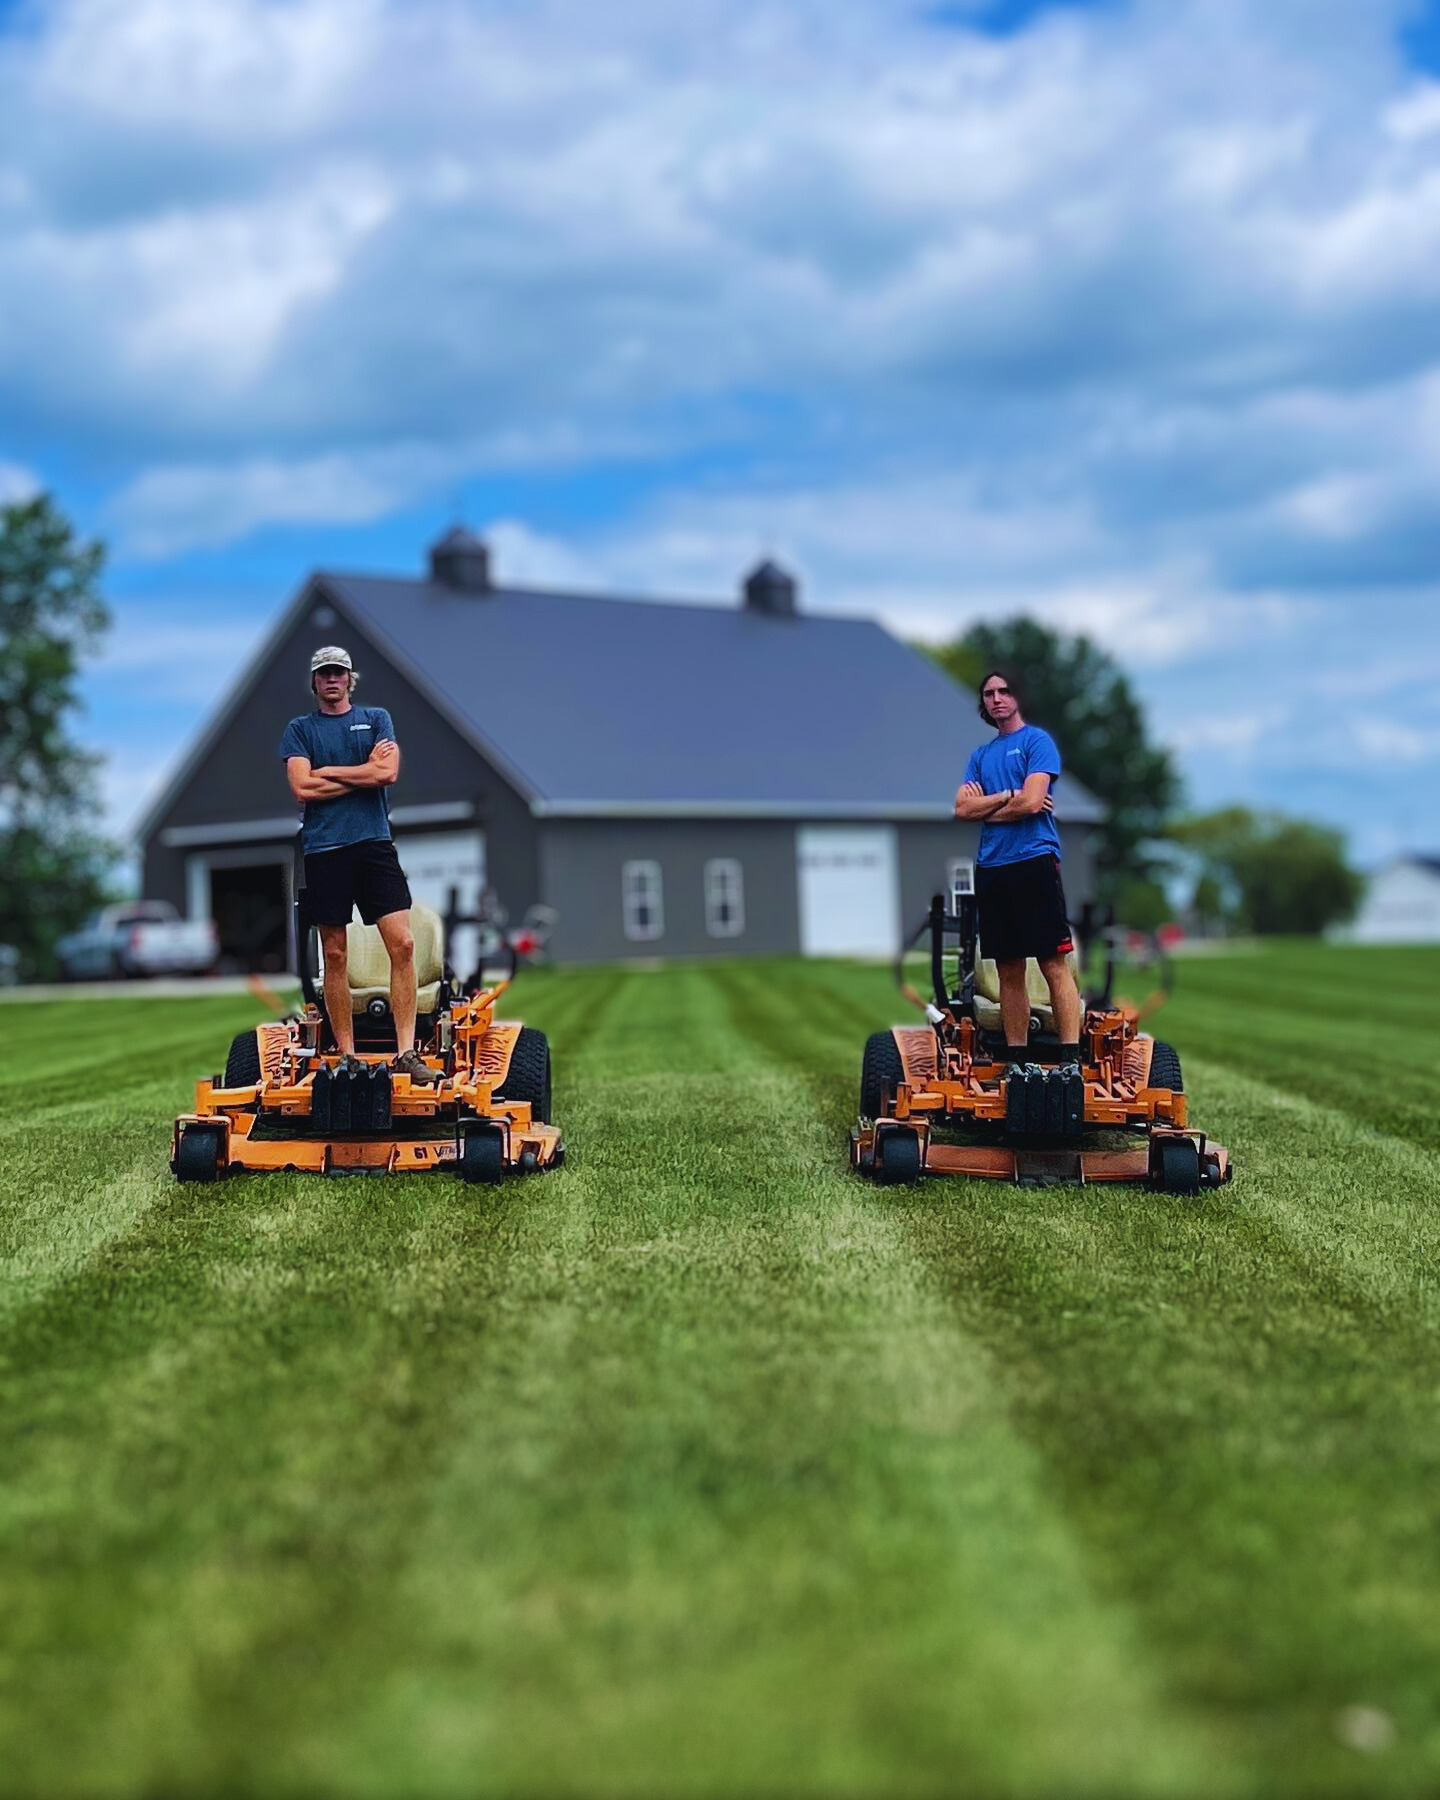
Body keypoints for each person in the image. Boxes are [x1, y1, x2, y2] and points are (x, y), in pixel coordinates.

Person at [280, 646, 440, 1085]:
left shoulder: (377, 719)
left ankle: (406, 1052)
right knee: (334, 953)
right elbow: (302, 788)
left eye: (339, 673)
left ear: (351, 679)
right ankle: (347, 1057)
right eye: (324, 674)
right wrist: (358, 772)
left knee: (402, 943)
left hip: (374, 845)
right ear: (314, 682)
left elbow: (385, 775)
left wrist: (329, 772)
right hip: (325, 849)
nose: (332, 680)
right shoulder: (300, 730)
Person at [953, 668, 1082, 1063]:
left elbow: (1032, 803)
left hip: (1034, 861)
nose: (996, 699)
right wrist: (1009, 794)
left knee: (1051, 962)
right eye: (989, 693)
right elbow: (961, 808)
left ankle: (1070, 1057)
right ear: (984, 704)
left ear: (1017, 698)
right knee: (1008, 968)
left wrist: (987, 805)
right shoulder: (980, 756)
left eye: (1004, 691)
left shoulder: (1037, 742)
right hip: (993, 867)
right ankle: (1017, 1060)